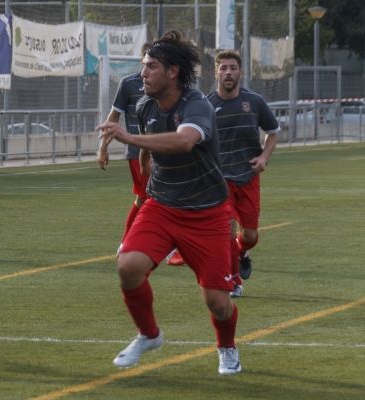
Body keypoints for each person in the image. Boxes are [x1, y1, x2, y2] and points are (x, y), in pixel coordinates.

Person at [97, 30, 241, 375]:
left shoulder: (196, 105)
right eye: (142, 66)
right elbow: (149, 148)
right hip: (161, 206)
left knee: (218, 303)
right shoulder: (145, 104)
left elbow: (184, 141)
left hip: (206, 213)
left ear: (172, 71)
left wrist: (128, 138)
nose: (142, 74)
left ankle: (227, 347)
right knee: (128, 265)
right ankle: (149, 334)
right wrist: (145, 174)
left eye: (150, 67)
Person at [208, 50, 280, 297]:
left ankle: (243, 251)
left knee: (249, 235)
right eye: (223, 68)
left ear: (241, 72)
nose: (228, 72)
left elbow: (273, 131)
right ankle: (234, 282)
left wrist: (263, 158)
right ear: (215, 72)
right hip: (220, 180)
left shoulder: (255, 102)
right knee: (225, 231)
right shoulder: (206, 105)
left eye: (232, 68)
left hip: (248, 177)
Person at [97, 69, 149, 254]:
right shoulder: (128, 84)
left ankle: (133, 242)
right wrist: (103, 147)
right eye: (147, 61)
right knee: (146, 197)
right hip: (138, 152)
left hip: (163, 151)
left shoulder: (169, 82)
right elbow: (113, 117)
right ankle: (127, 243)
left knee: (151, 198)